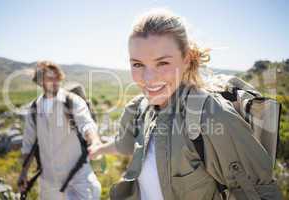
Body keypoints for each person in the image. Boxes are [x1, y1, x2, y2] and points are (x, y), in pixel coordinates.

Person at [88, 9, 281, 200]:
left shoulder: (210, 114)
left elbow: (258, 193)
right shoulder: (138, 108)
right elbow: (125, 144)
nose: (148, 78)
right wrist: (98, 149)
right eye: (138, 64)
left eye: (162, 63)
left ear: (186, 60)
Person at [18, 61, 101, 200]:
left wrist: (94, 140)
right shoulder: (34, 109)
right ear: (40, 81)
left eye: (57, 77)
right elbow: (28, 144)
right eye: (49, 78)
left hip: (79, 178)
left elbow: (86, 124)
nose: (55, 81)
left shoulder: (72, 101)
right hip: (49, 183)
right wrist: (23, 173)